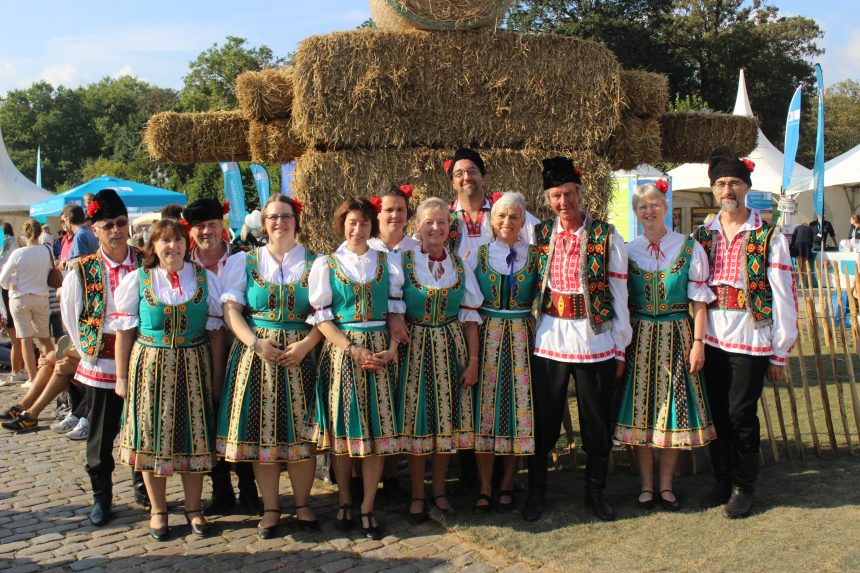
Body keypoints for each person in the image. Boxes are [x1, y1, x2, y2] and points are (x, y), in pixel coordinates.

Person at [524, 157, 631, 523]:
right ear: (548, 199)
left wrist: (619, 347)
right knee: (546, 419)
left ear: (580, 193)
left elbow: (618, 295)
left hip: (593, 339)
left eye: (568, 193)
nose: (563, 202)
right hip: (550, 339)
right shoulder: (538, 236)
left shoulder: (605, 235)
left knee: (596, 421)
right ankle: (536, 492)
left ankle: (595, 493)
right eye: (555, 196)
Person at [694, 146, 798, 519]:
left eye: (734, 183)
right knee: (717, 412)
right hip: (712, 337)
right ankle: (722, 480)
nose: (727, 190)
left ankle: (744, 486)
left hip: (751, 338)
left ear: (746, 187)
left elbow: (784, 293)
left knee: (741, 413)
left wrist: (780, 350)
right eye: (721, 183)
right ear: (713, 189)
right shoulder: (703, 234)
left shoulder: (767, 235)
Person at [217, 194, 322, 538]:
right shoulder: (243, 262)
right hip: (257, 355)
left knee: (301, 435)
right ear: (264, 224)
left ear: (297, 220)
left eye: (286, 216)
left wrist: (306, 345)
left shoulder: (317, 262)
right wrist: (255, 343)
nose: (280, 222)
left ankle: (303, 504)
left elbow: (326, 315)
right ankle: (272, 508)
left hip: (301, 355)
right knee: (264, 436)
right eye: (273, 217)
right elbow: (232, 310)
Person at [113, 218, 225, 541]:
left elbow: (216, 334)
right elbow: (124, 334)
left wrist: (217, 378)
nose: (171, 247)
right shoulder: (139, 280)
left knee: (194, 437)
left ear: (186, 244)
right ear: (154, 247)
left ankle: (194, 508)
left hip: (194, 365)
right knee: (151, 436)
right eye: (164, 241)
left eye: (177, 240)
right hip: (150, 367)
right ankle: (158, 509)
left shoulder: (205, 279)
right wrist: (121, 377)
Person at [613, 182, 717, 511]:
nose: (649, 211)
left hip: (677, 336)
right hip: (640, 338)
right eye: (642, 207)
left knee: (671, 412)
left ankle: (667, 486)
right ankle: (646, 486)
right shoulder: (628, 251)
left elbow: (700, 303)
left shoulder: (688, 248)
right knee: (641, 413)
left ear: (665, 206)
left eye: (654, 204)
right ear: (636, 213)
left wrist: (698, 343)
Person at [306, 197, 401, 540]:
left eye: (363, 222)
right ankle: (345, 498)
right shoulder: (327, 264)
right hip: (344, 353)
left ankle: (368, 505)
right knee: (344, 432)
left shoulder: (386, 262)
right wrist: (352, 348)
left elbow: (395, 311)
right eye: (351, 222)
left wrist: (390, 350)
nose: (357, 229)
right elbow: (322, 318)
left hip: (379, 353)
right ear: (341, 225)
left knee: (376, 434)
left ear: (371, 226)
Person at [57, 188, 149, 525]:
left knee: (144, 428)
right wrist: (89, 352)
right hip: (103, 362)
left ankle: (144, 488)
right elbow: (71, 315)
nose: (115, 230)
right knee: (100, 435)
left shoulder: (145, 259)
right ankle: (102, 497)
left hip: (142, 359)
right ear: (94, 229)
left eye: (121, 223)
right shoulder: (82, 269)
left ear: (129, 224)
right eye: (107, 224)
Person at [393, 197, 483, 523]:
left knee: (445, 423)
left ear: (449, 228)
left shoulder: (460, 265)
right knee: (418, 423)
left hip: (450, 348)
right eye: (429, 222)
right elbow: (391, 307)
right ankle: (418, 492)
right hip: (414, 349)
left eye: (442, 222)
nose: (435, 228)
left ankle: (440, 490)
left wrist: (473, 361)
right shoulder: (402, 262)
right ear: (417, 226)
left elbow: (470, 318)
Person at [181, 197, 261, 516]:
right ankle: (221, 489)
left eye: (211, 225)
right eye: (200, 227)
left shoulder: (245, 260)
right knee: (209, 419)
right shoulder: (184, 265)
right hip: (199, 353)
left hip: (241, 350)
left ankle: (249, 487)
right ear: (192, 231)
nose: (206, 232)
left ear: (222, 226)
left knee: (241, 420)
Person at [469, 192, 540, 514]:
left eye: (514, 217)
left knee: (517, 412)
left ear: (523, 222)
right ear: (491, 221)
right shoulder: (479, 256)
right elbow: (468, 304)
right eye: (501, 217)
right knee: (486, 413)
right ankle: (485, 486)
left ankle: (508, 483)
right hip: (487, 340)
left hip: (523, 339)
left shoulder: (536, 256)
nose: (507, 222)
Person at [367, 183, 419, 501]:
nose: (395, 215)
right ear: (378, 213)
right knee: (380, 404)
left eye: (400, 209)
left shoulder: (416, 247)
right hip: (375, 333)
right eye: (389, 209)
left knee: (403, 402)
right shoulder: (366, 247)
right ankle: (379, 472)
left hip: (412, 335)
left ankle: (397, 472)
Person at [445, 148, 539, 263]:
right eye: (459, 173)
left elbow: (538, 237)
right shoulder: (444, 217)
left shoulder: (506, 210)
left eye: (472, 171)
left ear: (483, 178)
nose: (467, 177)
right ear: (453, 183)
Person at [0, 219, 56, 387]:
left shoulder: (19, 253)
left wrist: (10, 283)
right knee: (45, 339)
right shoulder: (47, 251)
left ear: (24, 234)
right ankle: (53, 372)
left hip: (20, 297)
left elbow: (3, 279)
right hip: (41, 297)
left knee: (25, 339)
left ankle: (33, 378)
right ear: (40, 233)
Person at [0, 223, 26, 383]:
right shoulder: (13, 245)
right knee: (16, 337)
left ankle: (18, 369)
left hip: (7, 291)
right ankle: (17, 370)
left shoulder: (8, 246)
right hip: (8, 291)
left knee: (16, 337)